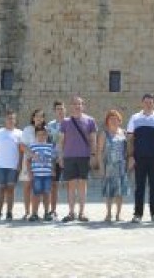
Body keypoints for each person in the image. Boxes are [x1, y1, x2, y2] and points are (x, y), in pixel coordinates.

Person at [127, 94, 154, 223]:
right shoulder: (135, 118)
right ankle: (138, 214)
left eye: (151, 102)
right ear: (142, 103)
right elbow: (130, 139)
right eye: (146, 102)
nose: (148, 104)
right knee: (139, 187)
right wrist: (131, 156)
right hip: (139, 158)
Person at [59, 95, 97, 223]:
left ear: (83, 106)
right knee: (71, 186)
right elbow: (62, 141)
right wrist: (60, 156)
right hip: (69, 156)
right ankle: (71, 212)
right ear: (71, 106)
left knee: (82, 185)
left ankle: (82, 212)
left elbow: (93, 140)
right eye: (75, 104)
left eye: (79, 104)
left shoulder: (90, 120)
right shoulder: (65, 122)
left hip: (84, 156)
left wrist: (93, 155)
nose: (77, 106)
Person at [0, 109, 24, 221]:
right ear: (5, 119)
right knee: (0, 188)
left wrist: (20, 164)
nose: (11, 120)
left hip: (13, 166)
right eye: (9, 118)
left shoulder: (19, 133)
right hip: (0, 165)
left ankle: (9, 212)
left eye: (13, 118)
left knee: (10, 189)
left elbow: (21, 151)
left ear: (15, 120)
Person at [97, 110, 130, 222]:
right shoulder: (104, 134)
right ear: (107, 121)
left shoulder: (123, 133)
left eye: (116, 118)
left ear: (120, 121)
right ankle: (109, 214)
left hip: (121, 166)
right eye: (111, 118)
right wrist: (101, 167)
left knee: (120, 192)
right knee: (109, 192)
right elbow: (99, 152)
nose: (114, 120)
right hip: (109, 166)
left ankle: (118, 215)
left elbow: (127, 150)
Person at [27, 126, 57, 222]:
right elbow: (28, 161)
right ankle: (34, 213)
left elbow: (52, 160)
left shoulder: (50, 146)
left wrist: (53, 169)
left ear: (46, 135)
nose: (41, 136)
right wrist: (30, 172)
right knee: (36, 194)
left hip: (47, 174)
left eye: (43, 134)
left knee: (47, 193)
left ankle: (47, 212)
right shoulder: (32, 146)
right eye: (39, 134)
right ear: (36, 136)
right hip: (37, 175)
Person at [21, 108, 46, 220]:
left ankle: (35, 212)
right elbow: (22, 145)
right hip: (28, 160)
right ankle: (27, 211)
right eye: (37, 116)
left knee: (38, 188)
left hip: (41, 164)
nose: (39, 118)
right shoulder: (27, 130)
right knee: (27, 186)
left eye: (41, 116)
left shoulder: (46, 130)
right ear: (33, 117)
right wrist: (32, 154)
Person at [46, 100, 65, 219]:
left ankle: (72, 211)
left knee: (71, 184)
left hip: (67, 157)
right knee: (54, 185)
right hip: (53, 158)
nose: (60, 111)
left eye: (62, 108)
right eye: (58, 109)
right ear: (54, 111)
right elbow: (47, 142)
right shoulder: (50, 125)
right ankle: (53, 210)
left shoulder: (69, 123)